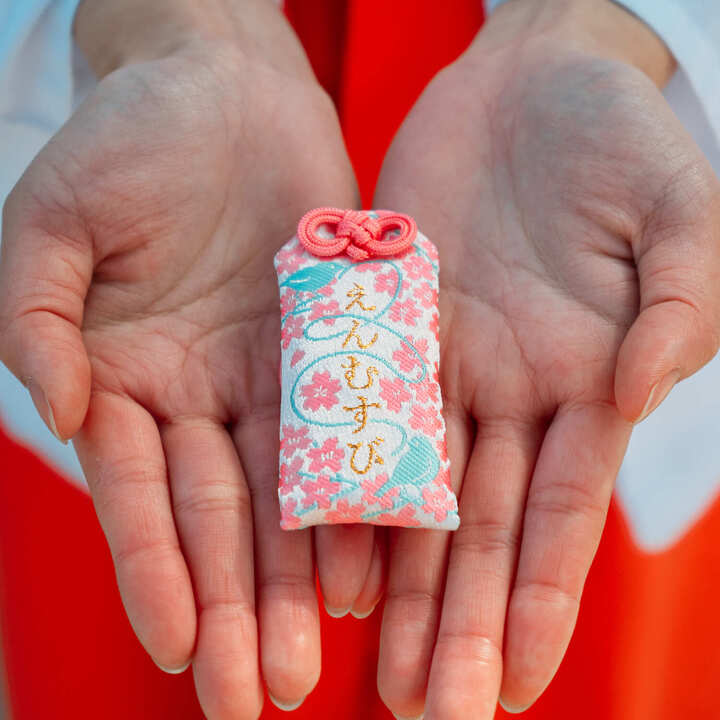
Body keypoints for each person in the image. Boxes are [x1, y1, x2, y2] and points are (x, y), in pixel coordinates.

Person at [0, 1, 719, 719]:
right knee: (155, 633)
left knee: (575, 642)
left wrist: (597, 21)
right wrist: (167, 19)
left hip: (538, 278)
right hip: (191, 270)